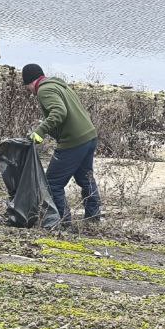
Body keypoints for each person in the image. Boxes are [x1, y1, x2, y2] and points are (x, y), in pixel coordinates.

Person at [22, 63, 102, 227]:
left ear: (30, 82)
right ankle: (93, 219)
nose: (29, 91)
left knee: (53, 183)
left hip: (73, 142)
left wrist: (40, 131)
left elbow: (59, 112)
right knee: (85, 179)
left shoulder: (44, 91)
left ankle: (63, 223)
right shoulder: (58, 85)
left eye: (27, 87)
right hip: (89, 136)